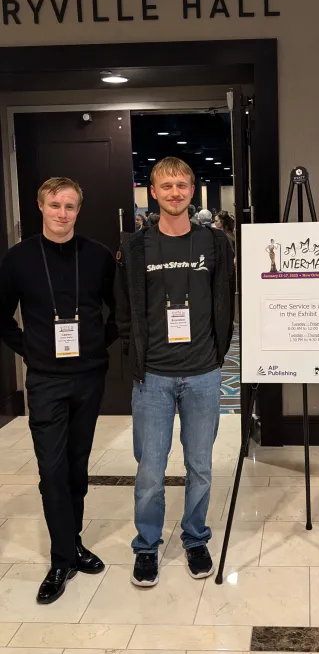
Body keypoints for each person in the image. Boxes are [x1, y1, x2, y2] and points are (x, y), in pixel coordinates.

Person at [116, 157, 235, 587]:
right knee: (150, 468)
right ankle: (146, 546)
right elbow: (124, 311)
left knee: (200, 464)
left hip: (203, 373)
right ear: (153, 191)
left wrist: (219, 353)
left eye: (182, 185)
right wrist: (135, 359)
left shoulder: (215, 243)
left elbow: (226, 300)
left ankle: (195, 537)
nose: (175, 193)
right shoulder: (135, 247)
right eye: (166, 186)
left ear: (192, 190)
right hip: (154, 378)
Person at [0, 177, 117, 604]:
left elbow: (118, 312)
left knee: (76, 467)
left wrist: (95, 346)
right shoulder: (18, 259)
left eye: (70, 206)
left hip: (89, 377)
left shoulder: (99, 256)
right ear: (40, 206)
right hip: (46, 379)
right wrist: (28, 349)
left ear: (78, 210)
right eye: (54, 205)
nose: (62, 213)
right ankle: (60, 557)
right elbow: (2, 318)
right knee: (51, 471)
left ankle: (74, 544)